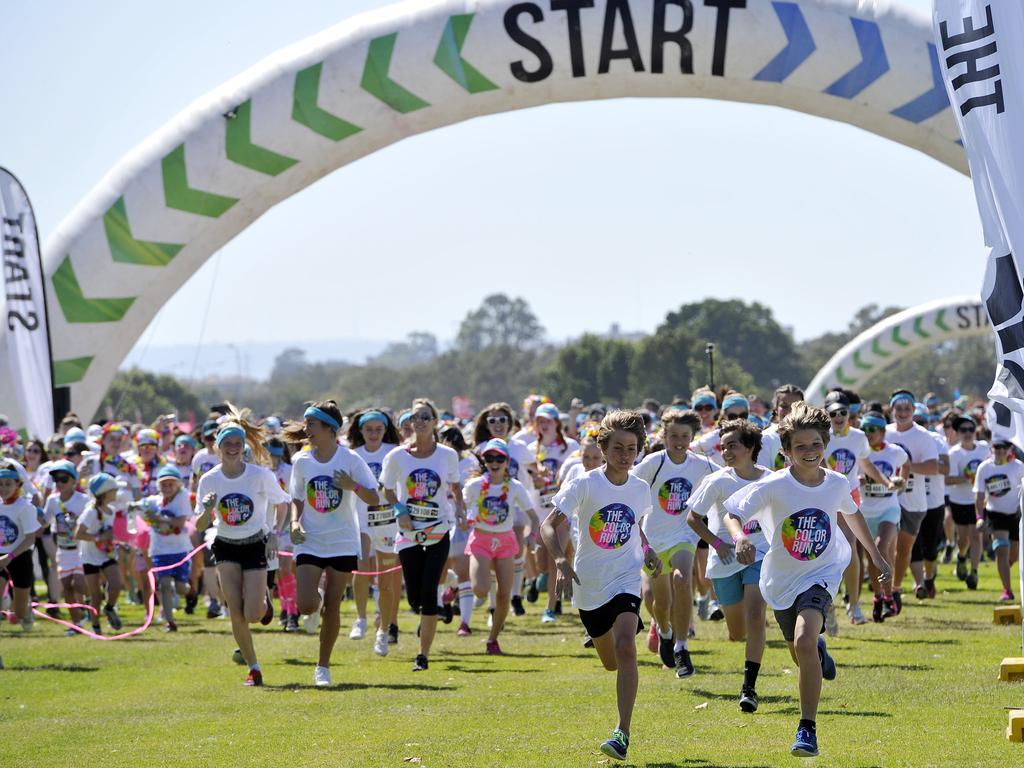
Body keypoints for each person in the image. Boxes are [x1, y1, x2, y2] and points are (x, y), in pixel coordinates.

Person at [723, 403, 891, 758]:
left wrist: (875, 555)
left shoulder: (836, 483)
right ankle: (818, 650)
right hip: (782, 580)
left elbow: (853, 513)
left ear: (825, 444)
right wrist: (739, 537)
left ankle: (807, 729)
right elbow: (732, 513)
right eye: (800, 446)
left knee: (803, 639)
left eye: (816, 444)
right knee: (802, 651)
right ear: (786, 451)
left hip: (823, 572)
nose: (810, 452)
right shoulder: (773, 486)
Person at [542, 410, 661, 761]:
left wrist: (648, 549)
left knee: (627, 649)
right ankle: (597, 638)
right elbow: (548, 526)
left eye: (632, 448)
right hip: (588, 582)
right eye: (618, 448)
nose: (625, 455)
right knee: (610, 662)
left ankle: (622, 732)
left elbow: (634, 527)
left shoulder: (641, 489)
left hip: (625, 577)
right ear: (603, 447)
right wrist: (561, 560)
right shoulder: (585, 484)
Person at [284, 401, 379, 687]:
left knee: (333, 608)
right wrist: (294, 522)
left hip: (343, 542)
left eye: (311, 424)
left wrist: (353, 486)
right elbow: (297, 498)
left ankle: (322, 667)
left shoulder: (350, 459)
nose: (306, 429)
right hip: (310, 540)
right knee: (305, 605)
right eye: (306, 424)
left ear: (330, 429)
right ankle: (317, 598)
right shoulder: (302, 461)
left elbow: (374, 498)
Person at [195, 410, 290, 686]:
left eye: (238, 443)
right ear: (218, 447)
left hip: (254, 545)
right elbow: (201, 524)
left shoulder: (259, 476)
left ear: (244, 447)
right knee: (235, 611)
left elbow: (282, 503)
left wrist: (275, 533)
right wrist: (209, 509)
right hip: (225, 546)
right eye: (228, 444)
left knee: (253, 613)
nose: (233, 448)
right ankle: (254, 668)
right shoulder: (209, 480)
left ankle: (264, 601)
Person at [686, 418, 770, 712]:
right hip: (723, 560)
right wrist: (718, 543)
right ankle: (754, 637)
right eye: (723, 447)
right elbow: (692, 518)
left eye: (732, 445)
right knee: (737, 632)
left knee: (757, 616)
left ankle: (749, 687)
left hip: (760, 554)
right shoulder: (717, 481)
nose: (726, 451)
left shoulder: (769, 479)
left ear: (750, 447)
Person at [380, 398, 466, 671]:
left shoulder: (447, 455)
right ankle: (448, 584)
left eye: (425, 417)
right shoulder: (397, 456)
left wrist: (460, 507)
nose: (419, 422)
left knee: (428, 594)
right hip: (408, 530)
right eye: (415, 418)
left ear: (435, 422)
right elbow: (387, 488)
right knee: (415, 597)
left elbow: (454, 486)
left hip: (438, 528)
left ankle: (423, 655)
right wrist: (399, 510)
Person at [632, 409, 715, 677]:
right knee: (660, 602)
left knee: (682, 579)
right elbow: (628, 485)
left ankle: (681, 647)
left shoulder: (701, 464)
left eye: (685, 436)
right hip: (654, 539)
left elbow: (729, 479)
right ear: (664, 436)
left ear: (692, 437)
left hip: (684, 536)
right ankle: (664, 631)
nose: (679, 441)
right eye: (674, 436)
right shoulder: (653, 462)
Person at [464, 438, 538, 654]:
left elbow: (533, 517)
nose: (494, 462)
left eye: (499, 458)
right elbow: (462, 509)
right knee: (481, 589)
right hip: (481, 539)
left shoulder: (515, 487)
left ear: (507, 461)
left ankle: (492, 640)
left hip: (505, 542)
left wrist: (532, 536)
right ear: (484, 461)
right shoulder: (474, 486)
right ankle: (453, 585)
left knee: (505, 595)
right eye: (489, 458)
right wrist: (463, 518)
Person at [822, 391, 891, 627]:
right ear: (826, 415)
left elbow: (866, 464)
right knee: (827, 551)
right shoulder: (820, 436)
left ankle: (853, 605)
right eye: (834, 413)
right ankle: (827, 605)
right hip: (824, 497)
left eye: (843, 411)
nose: (839, 416)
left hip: (849, 496)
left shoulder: (859, 437)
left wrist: (887, 482)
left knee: (850, 549)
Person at [472, 403, 536, 617]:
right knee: (489, 560)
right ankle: (492, 606)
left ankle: (515, 596)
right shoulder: (481, 448)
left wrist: (541, 474)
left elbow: (535, 467)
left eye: (502, 420)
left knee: (516, 551)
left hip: (517, 503)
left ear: (510, 423)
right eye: (492, 420)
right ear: (486, 424)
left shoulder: (519, 446)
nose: (498, 424)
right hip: (489, 510)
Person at [347, 409, 402, 654]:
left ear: (385, 430)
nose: (373, 434)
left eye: (378, 429)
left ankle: (384, 630)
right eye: (368, 429)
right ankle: (361, 618)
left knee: (386, 577)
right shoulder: (352, 454)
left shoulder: (394, 451)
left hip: (387, 519)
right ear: (360, 431)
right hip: (360, 516)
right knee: (361, 569)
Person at [522, 402, 579, 624]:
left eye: (548, 420)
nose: (544, 425)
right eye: (540, 421)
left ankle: (550, 608)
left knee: (558, 557)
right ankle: (540, 582)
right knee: (541, 562)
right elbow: (525, 479)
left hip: (562, 512)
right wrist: (534, 478)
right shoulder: (530, 449)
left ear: (557, 422)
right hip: (538, 508)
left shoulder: (570, 447)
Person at [885, 391, 939, 613]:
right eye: (899, 408)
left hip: (914, 501)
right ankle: (886, 593)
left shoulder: (923, 436)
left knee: (903, 550)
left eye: (908, 409)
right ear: (892, 410)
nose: (903, 412)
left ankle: (896, 588)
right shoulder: (883, 433)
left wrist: (904, 468)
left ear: (914, 411)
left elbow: (933, 468)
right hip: (885, 499)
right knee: (885, 547)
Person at [857, 412, 907, 622]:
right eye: (865, 430)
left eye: (873, 430)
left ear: (882, 431)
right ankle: (878, 596)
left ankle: (889, 595)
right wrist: (859, 478)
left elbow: (907, 464)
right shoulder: (859, 452)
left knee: (882, 545)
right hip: (865, 511)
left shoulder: (895, 451)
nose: (869, 434)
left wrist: (902, 481)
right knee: (871, 558)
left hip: (889, 508)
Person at [134, 465, 193, 631]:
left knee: (181, 589)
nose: (167, 488)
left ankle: (189, 591)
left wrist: (157, 518)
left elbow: (180, 522)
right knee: (164, 585)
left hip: (180, 550)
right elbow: (138, 506)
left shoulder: (182, 498)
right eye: (163, 484)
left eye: (171, 484)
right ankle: (170, 622)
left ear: (178, 485)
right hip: (160, 550)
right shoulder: (153, 501)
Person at [973, 438, 1024, 602]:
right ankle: (1007, 590)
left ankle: (1006, 569)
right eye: (997, 447)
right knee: (1002, 550)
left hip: (1016, 514)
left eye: (1004, 447)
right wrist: (980, 517)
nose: (1000, 451)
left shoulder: (1018, 466)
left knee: (1013, 556)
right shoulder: (984, 467)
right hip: (995, 514)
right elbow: (979, 496)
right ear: (991, 449)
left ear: (1009, 449)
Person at [42, 459, 90, 633]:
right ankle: (77, 623)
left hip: (81, 549)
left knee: (78, 583)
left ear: (73, 481)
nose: (59, 483)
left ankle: (91, 602)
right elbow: (44, 521)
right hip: (62, 550)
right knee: (67, 587)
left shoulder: (83, 499)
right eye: (56, 480)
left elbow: (92, 520)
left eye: (64, 479)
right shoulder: (53, 501)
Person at [74, 473, 124, 634]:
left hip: (106, 555)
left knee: (116, 584)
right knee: (95, 595)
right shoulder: (91, 512)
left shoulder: (112, 510)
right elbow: (78, 534)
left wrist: (117, 542)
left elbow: (108, 533)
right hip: (89, 557)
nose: (116, 491)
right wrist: (98, 538)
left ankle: (109, 608)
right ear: (105, 492)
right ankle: (96, 626)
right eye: (113, 489)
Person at [946, 415, 989, 589]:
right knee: (963, 539)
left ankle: (974, 572)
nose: (968, 433)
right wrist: (966, 477)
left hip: (978, 500)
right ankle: (962, 556)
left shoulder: (984, 448)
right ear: (957, 433)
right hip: (959, 500)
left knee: (976, 535)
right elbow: (947, 480)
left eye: (971, 429)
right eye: (963, 430)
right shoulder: (954, 453)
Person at [0, 460, 41, 631]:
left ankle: (24, 609)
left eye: (8, 484)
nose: (3, 488)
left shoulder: (25, 507)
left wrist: (9, 557)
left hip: (19, 556)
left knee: (18, 616)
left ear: (18, 484)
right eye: (0, 484)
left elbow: (30, 539)